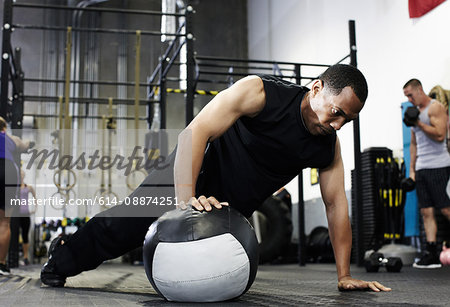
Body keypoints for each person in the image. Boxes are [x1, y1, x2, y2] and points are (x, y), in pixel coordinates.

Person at [41, 64, 390, 292]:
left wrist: (343, 274)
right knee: (122, 229)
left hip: (226, 208)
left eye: (347, 120)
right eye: (337, 113)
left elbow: (335, 205)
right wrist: (184, 201)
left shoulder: (326, 147)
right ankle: (62, 257)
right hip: (190, 174)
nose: (338, 125)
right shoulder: (261, 93)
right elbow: (194, 134)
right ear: (316, 89)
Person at [403, 79, 450, 269]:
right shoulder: (413, 113)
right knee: (426, 211)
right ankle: (431, 252)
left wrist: (419, 124)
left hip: (438, 166)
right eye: (406, 96)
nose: (408, 98)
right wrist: (412, 171)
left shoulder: (435, 107)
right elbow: (414, 144)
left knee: (445, 208)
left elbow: (440, 135)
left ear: (419, 90)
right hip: (422, 167)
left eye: (410, 94)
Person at [0, 116, 33, 275]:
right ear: (4, 128)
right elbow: (26, 146)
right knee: (4, 222)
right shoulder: (11, 139)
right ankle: (1, 263)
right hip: (8, 172)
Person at [18, 169, 37, 266]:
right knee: (14, 236)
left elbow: (35, 197)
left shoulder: (28, 187)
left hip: (25, 214)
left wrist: (34, 209)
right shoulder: (14, 188)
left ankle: (25, 257)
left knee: (25, 236)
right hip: (15, 214)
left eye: (22, 174)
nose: (21, 176)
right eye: (19, 174)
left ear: (24, 176)